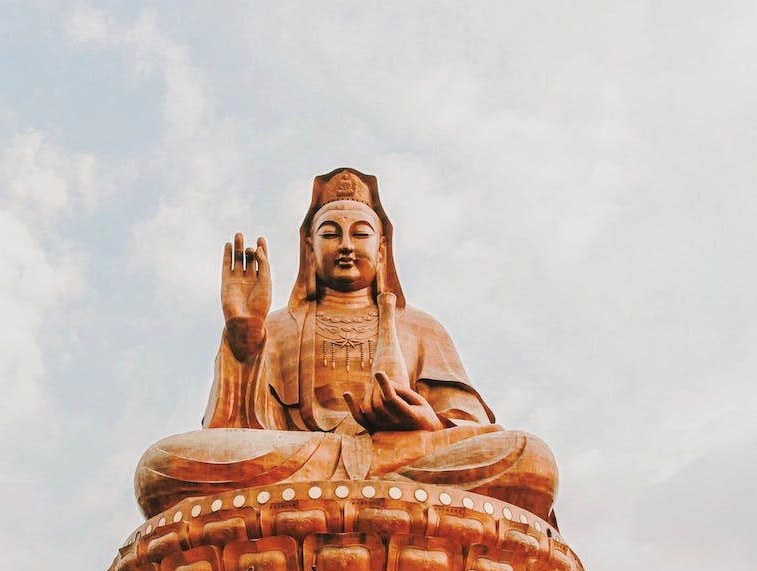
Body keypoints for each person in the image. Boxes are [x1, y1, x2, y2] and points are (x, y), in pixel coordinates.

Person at [135, 168, 558, 525]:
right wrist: (244, 334)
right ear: (309, 247)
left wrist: (426, 424)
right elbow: (231, 432)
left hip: (399, 456)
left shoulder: (420, 326)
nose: (345, 246)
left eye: (360, 233)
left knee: (529, 458)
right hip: (301, 458)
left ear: (382, 247)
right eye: (330, 234)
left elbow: (467, 423)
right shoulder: (279, 327)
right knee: (163, 464)